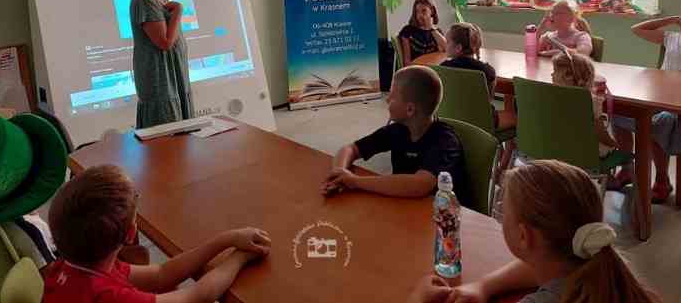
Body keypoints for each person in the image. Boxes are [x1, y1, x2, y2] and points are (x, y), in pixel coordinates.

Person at [407, 160, 660, 303]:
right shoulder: (606, 272)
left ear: (523, 236)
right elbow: (542, 260)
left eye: (502, 210)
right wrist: (484, 286)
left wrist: (416, 301)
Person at [44, 164, 271, 303]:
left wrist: (227, 239)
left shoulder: (69, 267)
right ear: (131, 234)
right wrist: (239, 257)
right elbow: (198, 297)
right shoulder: (107, 296)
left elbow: (162, 274)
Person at [321, 65, 466, 200]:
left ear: (410, 109)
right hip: (402, 206)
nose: (387, 100)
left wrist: (355, 181)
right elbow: (351, 149)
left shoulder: (445, 141)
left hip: (438, 216)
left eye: (392, 96)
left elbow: (420, 185)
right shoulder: (398, 129)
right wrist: (339, 174)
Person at [610, 4, 681, 202]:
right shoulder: (671, 38)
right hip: (659, 95)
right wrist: (671, 19)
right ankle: (627, 169)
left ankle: (662, 180)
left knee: (659, 123)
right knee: (618, 113)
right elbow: (637, 29)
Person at [130, 0, 194, 129]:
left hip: (175, 73)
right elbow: (165, 42)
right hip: (161, 77)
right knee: (167, 133)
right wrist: (178, 11)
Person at [441, 22, 516, 132]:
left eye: (447, 42)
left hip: (453, 120)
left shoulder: (443, 68)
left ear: (458, 48)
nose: (445, 45)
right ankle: (508, 149)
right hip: (483, 122)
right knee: (513, 114)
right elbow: (489, 99)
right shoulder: (487, 71)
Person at [551, 51, 617, 157]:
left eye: (554, 71)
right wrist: (613, 144)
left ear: (568, 76)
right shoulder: (592, 101)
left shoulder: (549, 96)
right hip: (585, 153)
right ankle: (627, 170)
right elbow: (600, 133)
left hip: (555, 150)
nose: (552, 74)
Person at [398, 0, 448, 65]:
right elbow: (407, 61)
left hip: (433, 68)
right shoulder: (407, 31)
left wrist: (432, 29)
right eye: (417, 11)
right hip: (415, 69)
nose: (420, 15)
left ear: (432, 11)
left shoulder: (436, 31)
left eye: (424, 11)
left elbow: (447, 49)